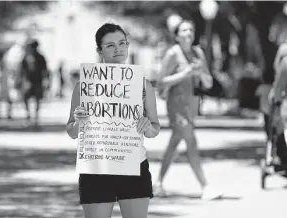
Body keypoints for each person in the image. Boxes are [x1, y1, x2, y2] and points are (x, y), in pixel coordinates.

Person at [66, 23, 160, 218]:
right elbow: (71, 131)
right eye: (110, 45)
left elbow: (154, 128)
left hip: (134, 166)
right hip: (96, 169)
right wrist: (79, 123)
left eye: (122, 43)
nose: (118, 49)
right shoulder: (84, 86)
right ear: (99, 50)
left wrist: (147, 127)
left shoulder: (143, 85)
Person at [155, 19, 222, 200]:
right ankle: (205, 187)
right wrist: (184, 74)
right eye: (184, 30)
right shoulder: (172, 54)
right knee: (191, 141)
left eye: (191, 30)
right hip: (175, 104)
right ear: (177, 36)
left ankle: (158, 183)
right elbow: (160, 81)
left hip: (192, 104)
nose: (188, 33)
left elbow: (208, 82)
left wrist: (200, 73)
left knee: (176, 140)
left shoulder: (198, 53)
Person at [18, 39, 49, 124]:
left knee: (38, 98)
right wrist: (22, 80)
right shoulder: (26, 57)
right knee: (25, 97)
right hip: (28, 81)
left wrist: (46, 80)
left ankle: (36, 115)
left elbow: (45, 70)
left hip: (38, 81)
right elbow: (22, 70)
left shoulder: (41, 57)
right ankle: (28, 114)